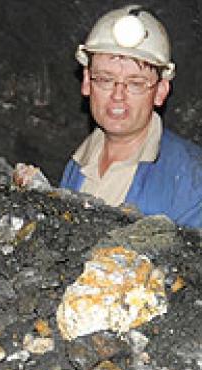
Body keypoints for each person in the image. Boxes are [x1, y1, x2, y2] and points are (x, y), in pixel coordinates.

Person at [60, 5, 202, 227]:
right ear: (87, 82)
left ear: (160, 91)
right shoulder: (76, 166)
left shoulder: (192, 179)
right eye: (105, 79)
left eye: (136, 83)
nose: (118, 95)